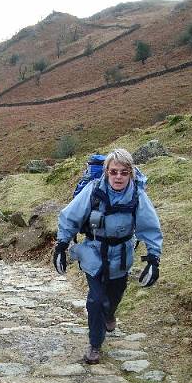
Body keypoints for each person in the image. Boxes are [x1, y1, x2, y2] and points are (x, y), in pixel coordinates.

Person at [53, 148, 162, 364]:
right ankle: (95, 344)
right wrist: (61, 245)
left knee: (113, 296)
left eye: (123, 172)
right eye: (114, 172)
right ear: (106, 172)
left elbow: (150, 227)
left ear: (130, 173)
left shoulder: (138, 196)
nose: (118, 177)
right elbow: (70, 217)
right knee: (95, 300)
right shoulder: (93, 191)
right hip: (93, 252)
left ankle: (110, 313)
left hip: (122, 256)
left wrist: (153, 258)